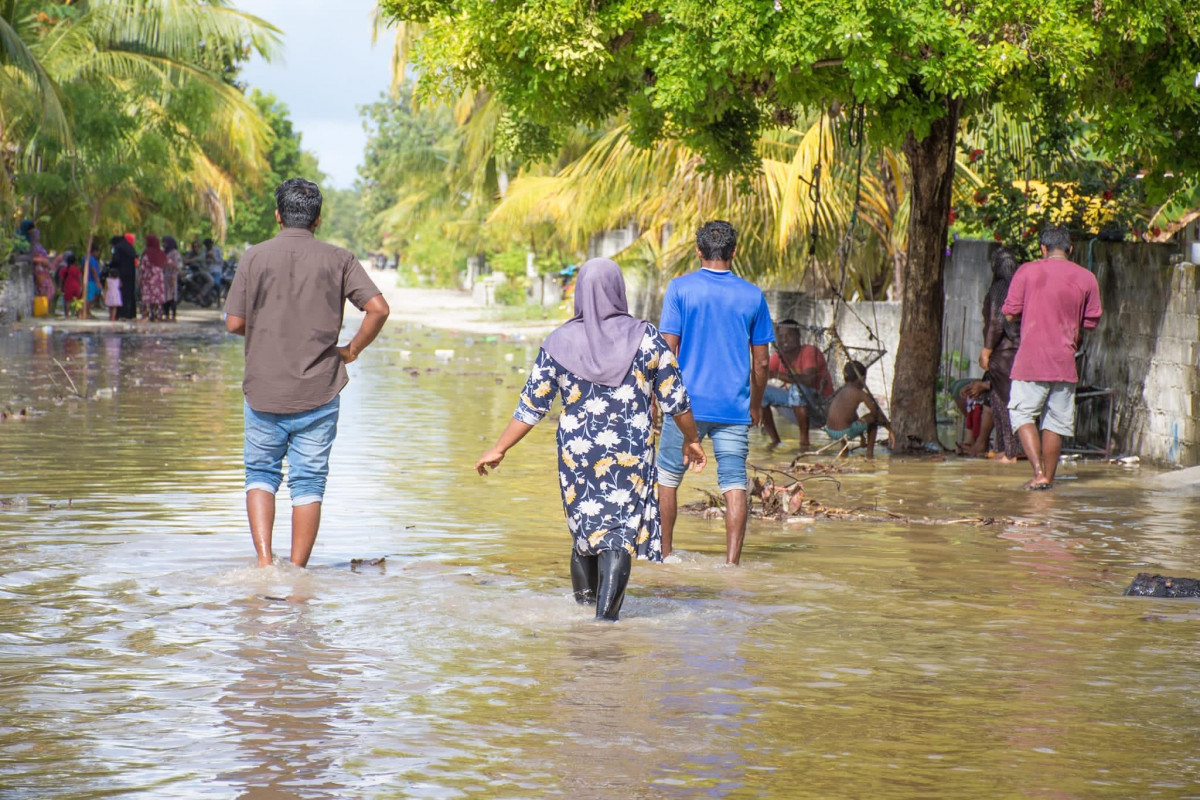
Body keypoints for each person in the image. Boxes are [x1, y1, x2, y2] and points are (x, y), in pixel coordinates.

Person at [475, 258, 707, 620]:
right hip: (629, 452)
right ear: (618, 290)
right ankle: (604, 623)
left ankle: (585, 617)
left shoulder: (558, 342)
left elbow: (530, 407)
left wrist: (500, 447)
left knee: (585, 532)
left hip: (577, 454)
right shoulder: (646, 338)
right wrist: (691, 439)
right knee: (618, 534)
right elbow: (675, 397)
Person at [225, 177, 390, 568]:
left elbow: (233, 323)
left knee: (260, 475)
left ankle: (265, 564)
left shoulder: (254, 257)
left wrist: (266, 329)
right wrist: (351, 349)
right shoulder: (340, 259)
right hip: (319, 390)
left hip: (264, 390)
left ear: (278, 215)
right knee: (309, 483)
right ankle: (297, 574)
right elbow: (378, 309)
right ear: (317, 219)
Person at [657, 220, 774, 566]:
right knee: (735, 482)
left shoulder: (679, 289)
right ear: (734, 252)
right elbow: (763, 363)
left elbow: (667, 351)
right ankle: (731, 566)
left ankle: (666, 556)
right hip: (734, 407)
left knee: (667, 477)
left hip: (684, 407)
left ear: (698, 251)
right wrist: (756, 404)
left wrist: (659, 399)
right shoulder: (753, 295)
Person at [1002, 226, 1102, 490]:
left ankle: (1038, 472)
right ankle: (1049, 478)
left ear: (1043, 249)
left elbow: (1010, 313)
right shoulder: (1087, 277)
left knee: (1022, 413)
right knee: (1055, 422)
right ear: (1070, 249)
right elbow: (1090, 322)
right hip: (1064, 362)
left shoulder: (1026, 271)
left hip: (1030, 361)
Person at [761, 319, 834, 449]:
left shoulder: (809, 352)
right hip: (795, 402)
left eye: (788, 335)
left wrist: (777, 375)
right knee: (760, 391)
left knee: (796, 389)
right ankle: (775, 441)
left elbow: (809, 380)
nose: (784, 340)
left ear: (798, 336)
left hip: (819, 404)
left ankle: (804, 442)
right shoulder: (778, 357)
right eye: (781, 336)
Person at [979, 247, 1022, 462]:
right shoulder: (1019, 289)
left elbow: (996, 324)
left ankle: (1011, 452)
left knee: (1005, 403)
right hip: (1010, 354)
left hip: (1005, 353)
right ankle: (1003, 449)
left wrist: (986, 351)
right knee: (997, 400)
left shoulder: (1000, 288)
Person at [824, 361, 892, 459]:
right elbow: (876, 413)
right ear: (862, 379)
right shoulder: (859, 393)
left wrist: (862, 437)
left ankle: (844, 452)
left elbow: (851, 416)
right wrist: (890, 430)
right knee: (873, 418)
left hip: (830, 431)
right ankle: (869, 454)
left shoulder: (842, 391)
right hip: (843, 432)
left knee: (847, 420)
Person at [950, 376, 993, 456]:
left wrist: (984, 386)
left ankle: (980, 444)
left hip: (1004, 386)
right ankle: (970, 440)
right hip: (991, 380)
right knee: (958, 387)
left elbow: (1004, 382)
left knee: (989, 397)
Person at [109, 234, 138, 320]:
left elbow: (116, 260)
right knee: (129, 293)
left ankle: (120, 314)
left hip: (121, 273)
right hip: (131, 273)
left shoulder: (118, 247)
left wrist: (111, 266)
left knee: (120, 293)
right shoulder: (129, 247)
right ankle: (131, 313)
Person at [140, 235, 168, 321]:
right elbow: (167, 262)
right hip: (159, 278)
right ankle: (156, 315)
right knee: (157, 298)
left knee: (147, 297)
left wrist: (140, 277)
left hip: (149, 278)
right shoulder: (161, 253)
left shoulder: (147, 253)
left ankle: (145, 315)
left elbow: (143, 267)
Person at [30, 228, 54, 306]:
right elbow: (31, 258)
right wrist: (42, 260)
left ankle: (47, 309)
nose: (37, 237)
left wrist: (47, 262)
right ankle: (43, 307)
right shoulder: (30, 246)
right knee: (42, 288)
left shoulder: (39, 246)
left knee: (50, 289)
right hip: (39, 271)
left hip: (45, 270)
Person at [161, 236, 182, 321]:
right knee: (165, 296)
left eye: (165, 242)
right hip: (164, 276)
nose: (163, 244)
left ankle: (173, 315)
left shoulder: (174, 253)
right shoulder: (163, 252)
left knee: (172, 296)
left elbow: (176, 264)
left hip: (172, 276)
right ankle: (166, 314)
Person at [83, 243, 103, 318]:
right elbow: (93, 270)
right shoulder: (90, 259)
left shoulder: (86, 258)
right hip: (91, 280)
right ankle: (86, 312)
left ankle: (87, 311)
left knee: (92, 296)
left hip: (90, 280)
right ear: (94, 251)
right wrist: (97, 281)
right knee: (90, 297)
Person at [204, 237, 224, 303]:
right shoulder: (205, 251)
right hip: (208, 270)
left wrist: (213, 258)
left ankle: (219, 301)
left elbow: (221, 261)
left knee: (217, 284)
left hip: (216, 270)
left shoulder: (217, 250)